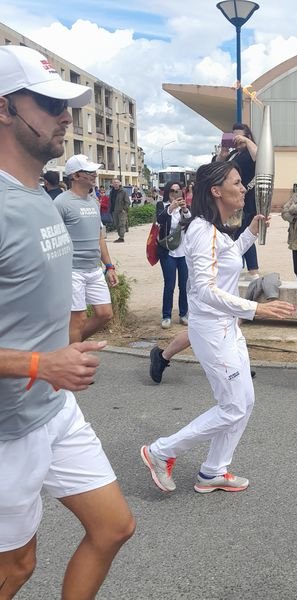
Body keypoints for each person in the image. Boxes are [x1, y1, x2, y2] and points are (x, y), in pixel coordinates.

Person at [0, 44, 134, 599]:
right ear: (5, 108)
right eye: (50, 102)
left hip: (53, 410)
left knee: (113, 528)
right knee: (15, 568)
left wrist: (62, 349)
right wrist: (41, 363)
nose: (67, 116)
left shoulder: (39, 197)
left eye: (69, 104)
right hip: (7, 430)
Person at [141, 161, 295, 493]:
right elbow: (205, 291)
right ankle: (160, 452)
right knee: (233, 406)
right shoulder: (201, 230)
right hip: (212, 330)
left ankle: (213, 471)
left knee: (245, 401)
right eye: (237, 183)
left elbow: (228, 258)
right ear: (216, 191)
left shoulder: (215, 230)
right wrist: (258, 309)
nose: (243, 189)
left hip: (226, 329)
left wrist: (250, 232)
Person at [54, 154, 118, 343]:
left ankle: (66, 348)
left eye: (94, 171)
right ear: (74, 176)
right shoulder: (60, 203)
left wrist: (109, 266)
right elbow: (53, 236)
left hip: (94, 268)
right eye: (89, 172)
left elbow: (99, 236)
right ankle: (70, 360)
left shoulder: (94, 201)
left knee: (105, 314)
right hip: (72, 270)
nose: (94, 175)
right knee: (78, 319)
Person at [216, 123, 259, 278]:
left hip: (246, 200)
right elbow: (218, 169)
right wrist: (223, 153)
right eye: (234, 136)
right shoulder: (233, 155)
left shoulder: (251, 151)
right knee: (232, 234)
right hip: (230, 201)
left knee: (245, 232)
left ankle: (253, 270)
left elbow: (260, 159)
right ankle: (238, 266)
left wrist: (246, 142)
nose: (237, 139)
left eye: (240, 136)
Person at [155, 180, 190, 329]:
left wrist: (185, 210)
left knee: (184, 285)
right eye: (173, 191)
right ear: (168, 193)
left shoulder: (185, 206)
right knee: (169, 285)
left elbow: (190, 221)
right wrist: (171, 208)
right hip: (168, 251)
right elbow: (159, 220)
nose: (176, 194)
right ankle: (166, 316)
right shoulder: (162, 206)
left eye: (178, 191)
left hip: (184, 252)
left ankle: (183, 314)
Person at [110, 178, 129, 242]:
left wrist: (124, 209)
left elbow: (127, 202)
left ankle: (121, 237)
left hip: (121, 211)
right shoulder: (111, 192)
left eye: (117, 182)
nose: (116, 183)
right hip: (114, 210)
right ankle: (120, 236)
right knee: (116, 224)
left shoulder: (123, 191)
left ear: (120, 183)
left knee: (121, 224)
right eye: (114, 182)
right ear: (112, 184)